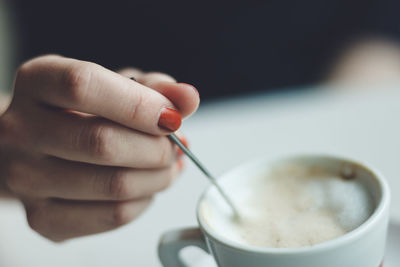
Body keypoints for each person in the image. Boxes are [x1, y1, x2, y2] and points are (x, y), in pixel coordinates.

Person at [1, 0, 400, 242]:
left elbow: (380, 30)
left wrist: (347, 115)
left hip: (340, 97)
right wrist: (11, 138)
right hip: (90, 129)